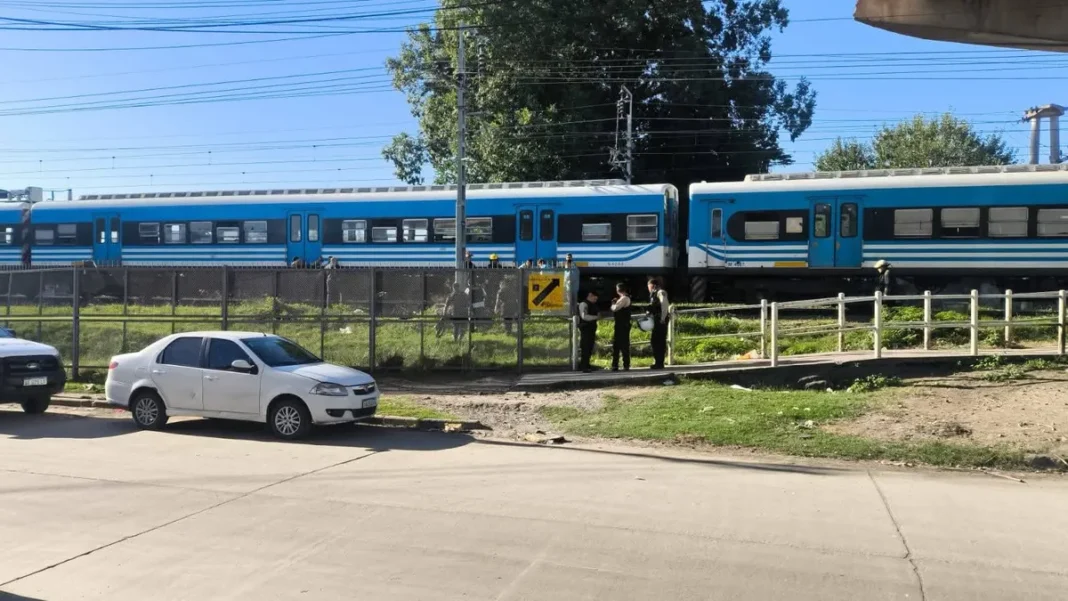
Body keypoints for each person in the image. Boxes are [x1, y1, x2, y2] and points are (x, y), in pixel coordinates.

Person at [646, 276, 669, 370]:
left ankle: (659, 362)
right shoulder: (653, 294)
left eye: (649, 287)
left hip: (661, 320)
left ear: (653, 285)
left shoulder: (660, 292)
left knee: (659, 341)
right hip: (656, 319)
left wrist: (663, 318)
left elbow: (664, 305)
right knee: (655, 341)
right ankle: (657, 361)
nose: (648, 289)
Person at [610, 283, 632, 371]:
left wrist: (613, 303)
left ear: (618, 290)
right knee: (620, 344)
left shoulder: (624, 298)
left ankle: (620, 364)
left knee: (621, 345)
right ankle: (622, 364)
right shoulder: (624, 298)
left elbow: (615, 308)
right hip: (622, 324)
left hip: (622, 325)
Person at [577, 290, 600, 372]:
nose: (595, 300)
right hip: (585, 328)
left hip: (591, 328)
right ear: (590, 295)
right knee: (585, 347)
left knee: (589, 347)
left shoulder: (592, 304)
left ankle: (586, 364)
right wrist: (596, 317)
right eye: (594, 298)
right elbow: (584, 316)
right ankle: (584, 366)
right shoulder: (584, 304)